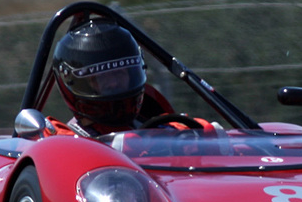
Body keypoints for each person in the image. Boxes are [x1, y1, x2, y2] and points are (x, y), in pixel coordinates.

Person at [51, 19, 212, 136]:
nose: (114, 83)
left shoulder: (164, 127)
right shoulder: (67, 141)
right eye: (103, 77)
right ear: (78, 83)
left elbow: (206, 132)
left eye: (120, 74)